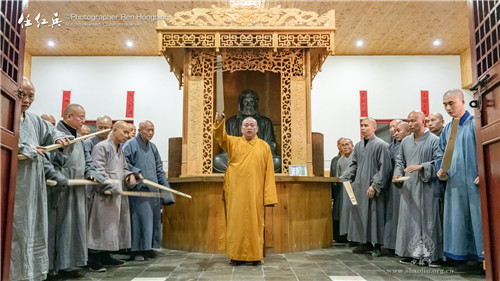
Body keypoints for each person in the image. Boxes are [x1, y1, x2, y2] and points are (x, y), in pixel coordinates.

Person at [10, 77, 70, 281]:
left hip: (35, 186)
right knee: (14, 230)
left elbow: (53, 132)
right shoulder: (5, 115)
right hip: (13, 185)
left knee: (34, 228)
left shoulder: (35, 120)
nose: (26, 100)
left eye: (31, 96)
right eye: (22, 94)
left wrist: (59, 139)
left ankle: (31, 273)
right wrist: (26, 149)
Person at [44, 104, 104, 278]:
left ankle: (68, 264)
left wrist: (92, 174)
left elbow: (89, 162)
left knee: (74, 228)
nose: (84, 121)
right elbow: (48, 160)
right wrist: (58, 177)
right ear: (68, 116)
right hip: (60, 189)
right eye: (81, 117)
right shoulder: (55, 135)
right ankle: (52, 267)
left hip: (77, 190)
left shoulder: (79, 139)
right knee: (58, 228)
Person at [213, 112, 278, 265]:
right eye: (246, 125)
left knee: (256, 223)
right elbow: (220, 136)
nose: (249, 128)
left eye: (252, 125)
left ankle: (255, 256)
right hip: (235, 191)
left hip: (255, 190)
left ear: (257, 129)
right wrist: (219, 121)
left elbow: (269, 172)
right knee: (235, 223)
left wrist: (268, 196)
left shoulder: (264, 146)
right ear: (241, 129)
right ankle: (235, 256)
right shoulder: (233, 142)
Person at [436, 89, 484, 272]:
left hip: (474, 183)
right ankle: (462, 258)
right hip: (454, 184)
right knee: (457, 222)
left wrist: (485, 173)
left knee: (477, 220)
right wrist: (440, 171)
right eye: (445, 105)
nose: (448, 108)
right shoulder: (447, 130)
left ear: (463, 102)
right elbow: (440, 154)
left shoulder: (475, 124)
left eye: (451, 103)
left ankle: (482, 259)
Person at [393, 111, 443, 267]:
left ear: (423, 121)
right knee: (409, 220)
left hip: (426, 186)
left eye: (413, 120)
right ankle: (410, 253)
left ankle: (431, 256)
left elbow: (440, 162)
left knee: (428, 221)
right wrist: (397, 174)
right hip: (408, 186)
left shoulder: (435, 140)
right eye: (408, 121)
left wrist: (422, 166)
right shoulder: (406, 142)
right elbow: (399, 161)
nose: (410, 123)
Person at [87, 121, 138, 271]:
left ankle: (106, 255)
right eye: (125, 132)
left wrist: (129, 175)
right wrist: (112, 185)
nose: (128, 136)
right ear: (114, 130)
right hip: (104, 194)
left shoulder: (120, 149)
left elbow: (124, 167)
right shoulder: (101, 147)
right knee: (100, 227)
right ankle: (94, 260)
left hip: (117, 194)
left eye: (129, 133)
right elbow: (98, 170)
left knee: (113, 227)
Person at [123, 120, 175, 261]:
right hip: (139, 189)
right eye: (147, 130)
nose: (151, 133)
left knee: (153, 220)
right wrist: (135, 172)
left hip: (153, 190)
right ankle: (136, 250)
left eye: (153, 130)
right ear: (140, 130)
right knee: (139, 220)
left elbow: (159, 169)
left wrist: (165, 191)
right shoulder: (131, 144)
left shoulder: (153, 147)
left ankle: (148, 248)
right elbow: (123, 161)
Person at [340, 117, 392, 257]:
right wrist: (346, 175)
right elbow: (354, 164)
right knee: (361, 215)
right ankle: (365, 243)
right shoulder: (357, 146)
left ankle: (378, 245)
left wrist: (375, 185)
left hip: (372, 187)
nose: (363, 128)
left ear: (374, 127)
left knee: (375, 216)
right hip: (359, 186)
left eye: (366, 125)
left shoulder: (381, 145)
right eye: (361, 125)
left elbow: (385, 168)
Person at [213, 89, 281, 173]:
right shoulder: (231, 122)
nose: (248, 105)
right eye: (245, 102)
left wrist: (254, 152)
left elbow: (272, 145)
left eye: (252, 102)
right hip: (236, 159)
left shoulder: (265, 122)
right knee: (217, 160)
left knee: (277, 161)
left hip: (258, 159)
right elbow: (225, 145)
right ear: (240, 103)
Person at [383, 121, 410, 253]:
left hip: (406, 183)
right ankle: (391, 244)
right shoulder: (389, 147)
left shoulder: (408, 144)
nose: (394, 131)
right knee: (392, 215)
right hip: (392, 183)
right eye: (391, 128)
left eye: (397, 128)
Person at [336, 138, 354, 245]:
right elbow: (338, 176)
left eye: (347, 144)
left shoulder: (356, 157)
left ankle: (354, 236)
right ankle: (346, 234)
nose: (345, 147)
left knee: (353, 211)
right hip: (343, 187)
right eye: (342, 145)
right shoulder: (340, 160)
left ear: (352, 145)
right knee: (345, 212)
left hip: (353, 186)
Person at [330, 137, 345, 243]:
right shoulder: (335, 159)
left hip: (348, 187)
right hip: (337, 189)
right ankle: (337, 235)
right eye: (340, 144)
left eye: (345, 144)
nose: (342, 147)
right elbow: (332, 174)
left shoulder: (353, 157)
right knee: (336, 212)